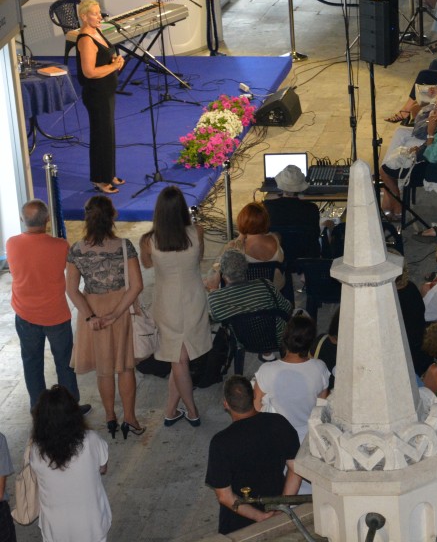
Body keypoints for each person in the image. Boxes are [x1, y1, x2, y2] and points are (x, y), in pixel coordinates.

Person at [65, 195, 144, 441]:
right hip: (120, 308)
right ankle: (130, 419)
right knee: (125, 367)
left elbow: (71, 290)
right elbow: (137, 286)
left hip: (93, 312)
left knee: (104, 369)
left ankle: (110, 417)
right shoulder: (124, 246)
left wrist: (90, 317)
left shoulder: (76, 249)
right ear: (113, 216)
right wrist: (116, 314)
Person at [139, 186, 210, 429]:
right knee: (179, 359)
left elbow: (147, 264)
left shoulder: (148, 240)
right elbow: (199, 259)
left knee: (177, 359)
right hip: (193, 299)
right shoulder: (197, 231)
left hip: (166, 303)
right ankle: (172, 411)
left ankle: (191, 411)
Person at [8, 199, 84, 411]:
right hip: (55, 315)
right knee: (65, 363)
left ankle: (38, 409)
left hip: (25, 314)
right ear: (48, 219)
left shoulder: (11, 243)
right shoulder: (61, 246)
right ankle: (70, 409)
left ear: (22, 219)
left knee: (32, 363)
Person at [206, 376, 301, 534]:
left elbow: (224, 496)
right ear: (254, 396)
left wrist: (260, 517)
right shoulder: (279, 423)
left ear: (226, 404)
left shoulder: (221, 443)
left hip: (238, 524)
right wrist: (282, 507)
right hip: (277, 510)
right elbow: (296, 469)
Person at [28, 386, 111, 542]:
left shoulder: (36, 449)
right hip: (91, 524)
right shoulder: (91, 439)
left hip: (54, 528)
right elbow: (103, 467)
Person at [74, 0, 124, 194]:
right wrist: (113, 66)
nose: (99, 16)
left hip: (106, 92)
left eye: (99, 13)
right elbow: (89, 72)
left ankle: (109, 173)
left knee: (108, 134)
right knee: (101, 136)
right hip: (97, 95)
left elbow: (104, 58)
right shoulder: (86, 39)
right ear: (84, 16)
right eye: (94, 14)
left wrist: (116, 60)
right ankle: (100, 180)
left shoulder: (97, 31)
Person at [253, 314, 331, 441]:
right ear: (310, 343)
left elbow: (256, 405)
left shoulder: (266, 370)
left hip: (277, 435)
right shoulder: (320, 367)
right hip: (309, 435)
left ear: (284, 339)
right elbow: (322, 404)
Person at [207, 202, 286, 293]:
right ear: (266, 221)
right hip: (274, 291)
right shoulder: (276, 238)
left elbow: (215, 272)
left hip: (247, 293)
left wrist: (241, 234)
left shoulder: (235, 249)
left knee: (213, 280)